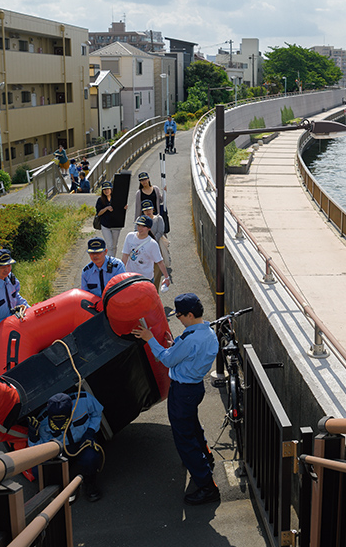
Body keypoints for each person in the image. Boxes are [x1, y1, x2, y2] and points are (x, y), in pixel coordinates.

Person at [131, 293, 219, 505]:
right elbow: (186, 352)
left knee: (184, 438)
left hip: (182, 392)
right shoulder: (208, 334)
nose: (178, 318)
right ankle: (206, 456)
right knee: (193, 426)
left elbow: (168, 360)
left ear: (189, 314)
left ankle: (206, 486)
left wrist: (149, 338)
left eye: (179, 315)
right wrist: (176, 345)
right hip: (195, 388)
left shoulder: (191, 340)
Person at [28, 392, 104, 502]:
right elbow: (40, 450)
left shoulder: (84, 400)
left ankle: (90, 484)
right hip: (60, 450)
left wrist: (90, 432)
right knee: (37, 469)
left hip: (82, 443)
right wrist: (33, 438)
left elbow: (97, 413)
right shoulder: (42, 421)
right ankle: (53, 489)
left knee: (91, 458)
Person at [121, 216, 170, 292]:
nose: (140, 228)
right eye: (139, 225)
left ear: (149, 228)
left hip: (145, 279)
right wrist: (121, 273)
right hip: (130, 277)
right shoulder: (130, 236)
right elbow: (125, 255)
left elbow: (159, 262)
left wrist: (166, 278)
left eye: (143, 226)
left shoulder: (152, 244)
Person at [95, 181, 126, 258]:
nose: (107, 191)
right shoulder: (100, 200)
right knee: (110, 245)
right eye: (105, 189)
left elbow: (121, 209)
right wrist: (106, 208)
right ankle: (110, 262)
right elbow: (98, 213)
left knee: (114, 245)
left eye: (108, 189)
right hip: (105, 225)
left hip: (116, 224)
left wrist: (124, 207)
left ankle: (113, 259)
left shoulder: (116, 198)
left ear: (111, 189)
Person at [141, 200, 170, 270]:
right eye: (145, 210)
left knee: (157, 265)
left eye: (149, 209)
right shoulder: (140, 220)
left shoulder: (158, 218)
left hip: (157, 245)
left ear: (153, 209)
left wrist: (152, 241)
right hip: (143, 245)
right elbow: (137, 231)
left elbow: (160, 231)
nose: (148, 212)